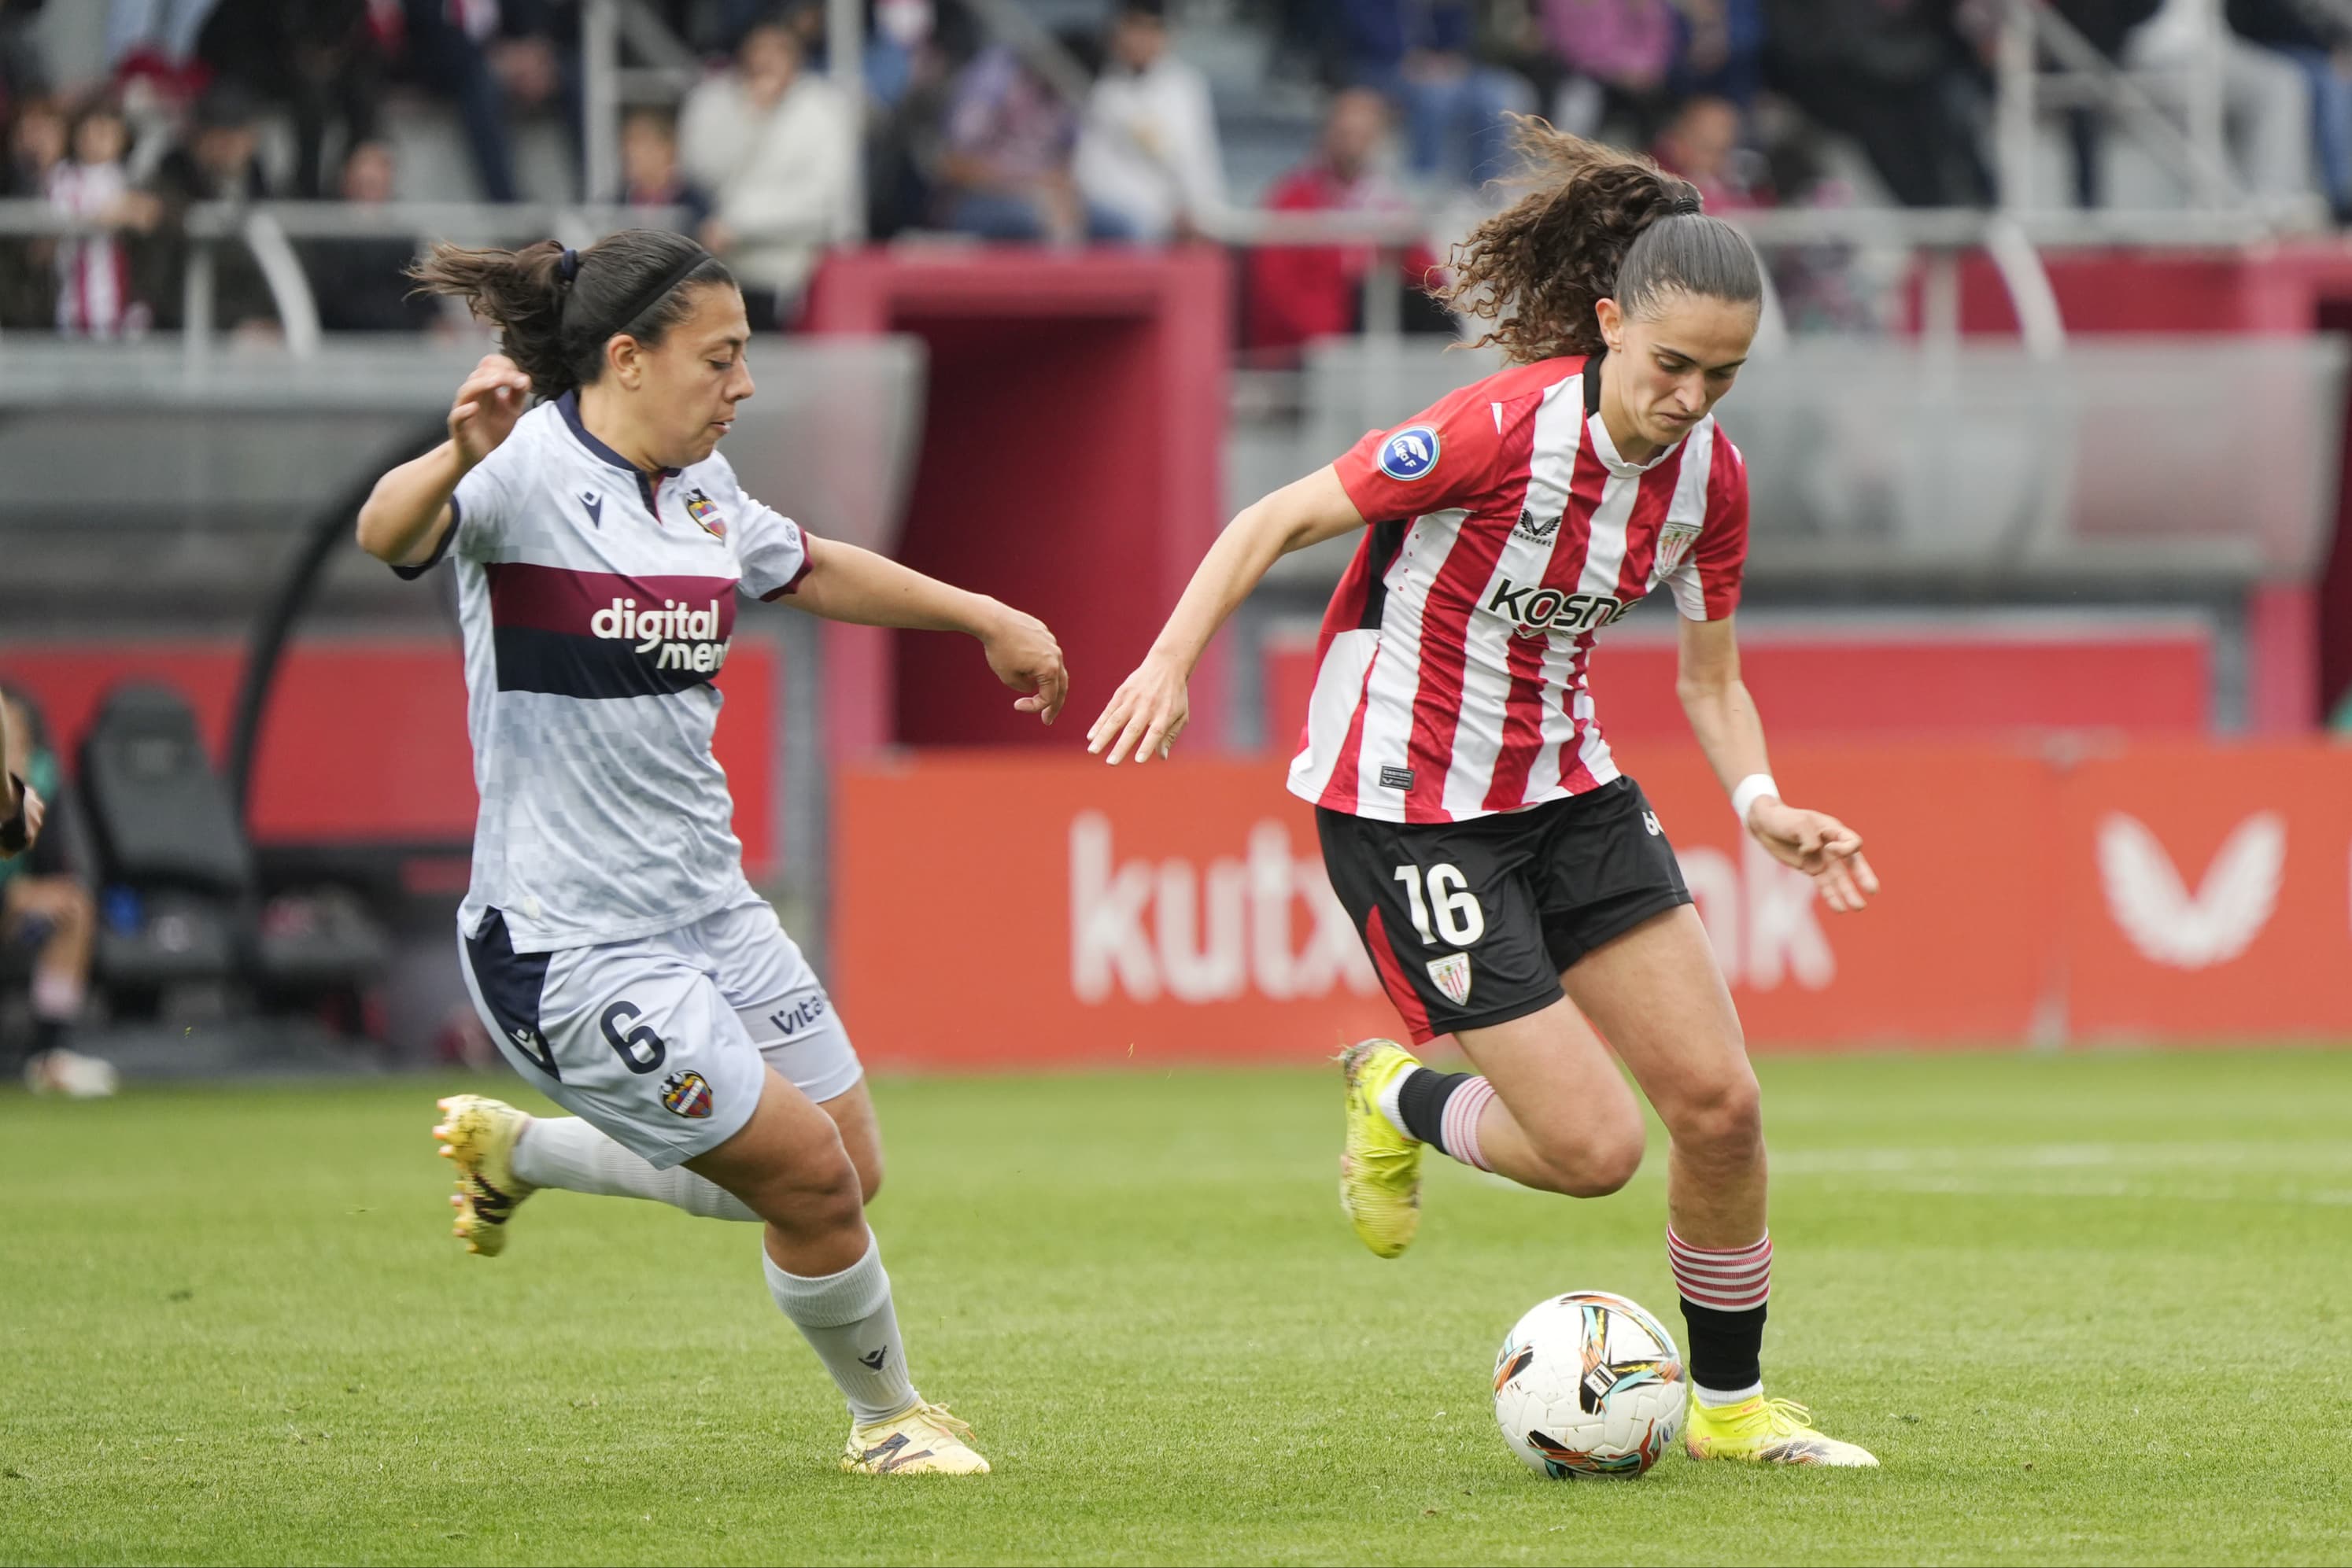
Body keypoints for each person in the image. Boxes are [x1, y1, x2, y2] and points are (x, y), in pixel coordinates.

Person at [1089, 123, 1881, 1468]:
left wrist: (1756, 798)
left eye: (1722, 376)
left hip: (1566, 787)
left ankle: (1731, 1409)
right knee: (1588, 1150)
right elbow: (1269, 518)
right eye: (1669, 364)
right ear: (1607, 321)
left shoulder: (1709, 482)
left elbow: (1708, 678)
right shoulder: (1494, 427)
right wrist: (1169, 659)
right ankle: (1392, 1096)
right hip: (1406, 804)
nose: (1690, 399)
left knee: (1720, 1105)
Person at [357, 228, 1067, 1474]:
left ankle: (520, 1151)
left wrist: (985, 617)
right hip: (568, 943)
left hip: (710, 911)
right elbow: (387, 532)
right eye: (721, 359)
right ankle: (886, 1421)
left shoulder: (702, 493)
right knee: (806, 1180)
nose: (743, 387)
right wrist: (452, 453)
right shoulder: (521, 471)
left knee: (845, 1166)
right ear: (627, 358)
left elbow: (813, 566)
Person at [677, 19, 855, 328]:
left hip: (794, 272)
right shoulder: (712, 101)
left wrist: (739, 225)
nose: (766, 61)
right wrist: (752, 117)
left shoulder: (825, 108)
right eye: (759, 50)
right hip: (717, 266)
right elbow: (701, 173)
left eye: (778, 51)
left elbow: (823, 201)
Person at [1244, 88, 1446, 360]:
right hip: (1318, 332)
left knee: (1432, 311)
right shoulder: (1293, 198)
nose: (1353, 143)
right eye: (1345, 133)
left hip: (1372, 317)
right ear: (1326, 135)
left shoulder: (1388, 199)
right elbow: (1277, 288)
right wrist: (1329, 336)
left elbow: (1427, 274)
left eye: (1363, 134)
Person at [0, 688, 112, 1098]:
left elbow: (56, 869)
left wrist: (23, 897)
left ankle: (50, 1055)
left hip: (12, 924)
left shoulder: (42, 783)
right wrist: (13, 897)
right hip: (8, 905)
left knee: (74, 907)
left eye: (13, 738)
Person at [1073, 0, 1225, 243]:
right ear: (1116, 30)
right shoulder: (1094, 81)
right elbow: (1086, 168)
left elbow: (1197, 162)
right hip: (1102, 219)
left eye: (1153, 29)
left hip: (1162, 223)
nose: (1142, 39)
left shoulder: (1184, 87)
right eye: (1135, 28)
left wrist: (1201, 215)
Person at [301, 141, 438, 333]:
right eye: (363, 184)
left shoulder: (402, 238)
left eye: (376, 185)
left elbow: (421, 295)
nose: (369, 194)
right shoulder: (326, 235)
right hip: (341, 339)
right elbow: (325, 298)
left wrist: (436, 322)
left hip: (399, 341)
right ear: (347, 183)